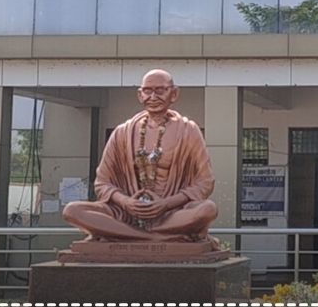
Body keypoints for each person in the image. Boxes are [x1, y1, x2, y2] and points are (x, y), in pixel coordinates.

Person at [63, 69, 219, 241]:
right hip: (127, 213)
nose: (153, 97)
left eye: (160, 90)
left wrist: (167, 204)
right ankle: (154, 237)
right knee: (72, 210)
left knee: (207, 209)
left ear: (174, 94)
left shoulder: (188, 131)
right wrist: (126, 202)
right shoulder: (122, 132)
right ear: (140, 95)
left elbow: (205, 182)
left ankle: (131, 234)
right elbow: (102, 183)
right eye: (147, 91)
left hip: (172, 212)